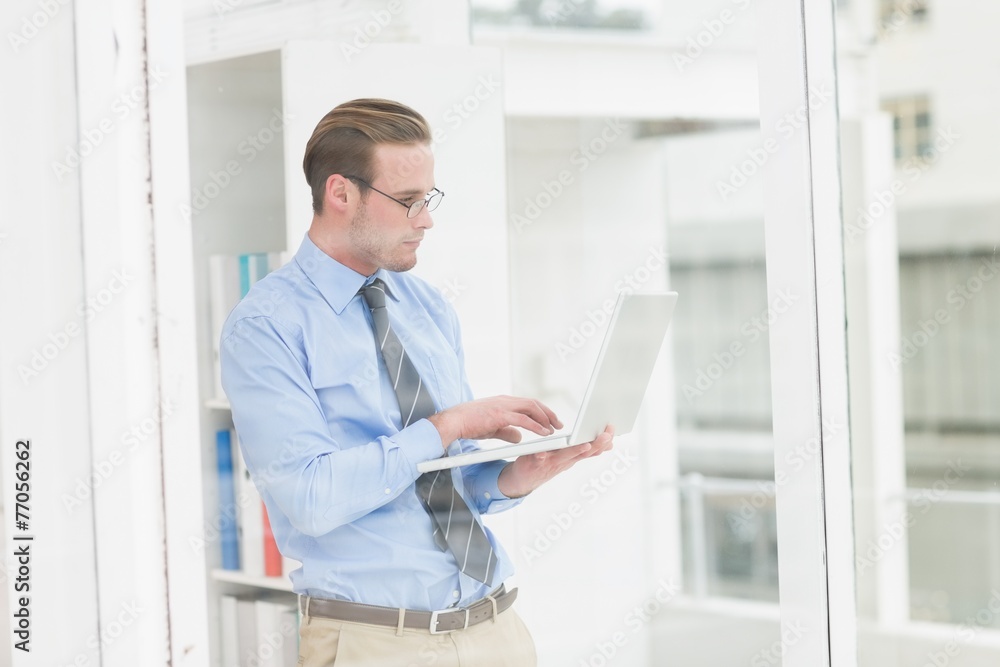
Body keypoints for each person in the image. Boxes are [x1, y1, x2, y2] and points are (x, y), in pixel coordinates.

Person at [220, 97, 614, 667]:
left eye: (427, 199)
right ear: (340, 193)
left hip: (496, 629)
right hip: (376, 643)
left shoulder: (426, 308)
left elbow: (447, 482)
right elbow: (310, 497)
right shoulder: (265, 327)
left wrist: (516, 476)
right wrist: (448, 424)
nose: (425, 218)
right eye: (406, 201)